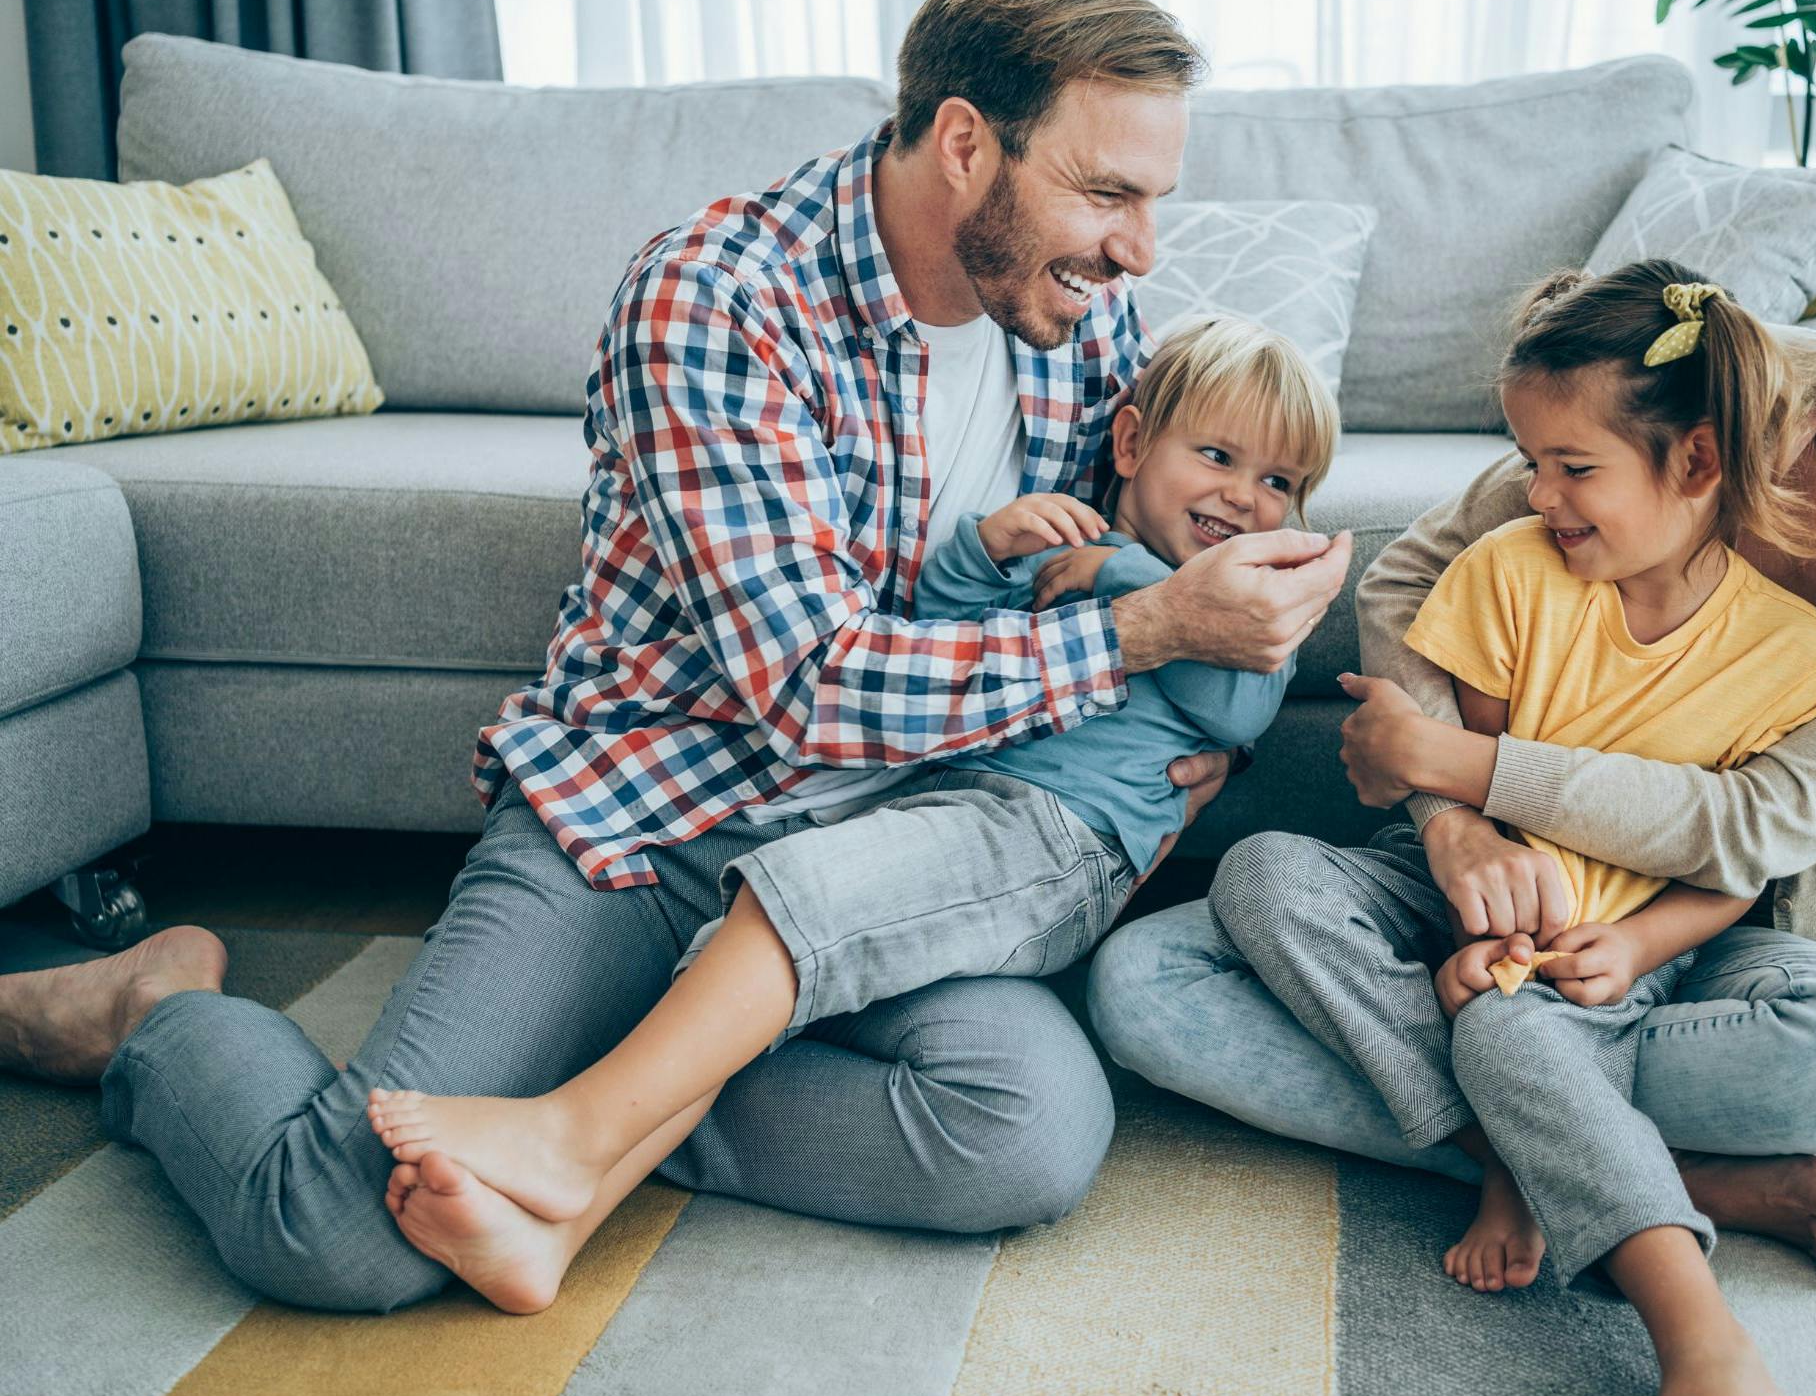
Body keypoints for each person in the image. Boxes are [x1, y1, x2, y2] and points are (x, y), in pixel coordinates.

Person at [0, 0, 1349, 1313]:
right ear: (960, 144)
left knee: (1022, 1130)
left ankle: (593, 1124)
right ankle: (156, 1012)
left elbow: (1154, 560)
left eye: (1150, 198)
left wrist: (1193, 711)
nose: (1137, 250)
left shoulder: (1079, 319)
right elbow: (809, 686)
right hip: (655, 823)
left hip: (893, 847)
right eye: (1105, 192)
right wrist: (1145, 632)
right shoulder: (716, 297)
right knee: (336, 1233)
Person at [1090, 100, 1816, 1396]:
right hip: (1476, 898)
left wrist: (1470, 769)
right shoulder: (1717, 377)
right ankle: (1650, 1173)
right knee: (1147, 980)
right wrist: (1450, 823)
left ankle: (1536, 1133)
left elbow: (1757, 825)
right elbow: (1424, 568)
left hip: (1702, 933)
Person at [359, 317, 1341, 1313]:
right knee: (744, 963)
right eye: (1218, 456)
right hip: (956, 810)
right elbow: (942, 633)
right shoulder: (1072, 543)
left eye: (1281, 484)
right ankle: (561, 1224)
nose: (1244, 496)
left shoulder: (1239, 598)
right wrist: (984, 552)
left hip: (1050, 842)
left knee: (798, 904)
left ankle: (569, 1129)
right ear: (1131, 446)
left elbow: (1240, 704)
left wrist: (1136, 583)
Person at [1231, 260, 1816, 1396]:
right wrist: (1480, 918)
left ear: (1699, 462)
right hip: (1468, 902)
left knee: (1537, 1033)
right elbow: (1490, 816)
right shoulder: (1510, 572)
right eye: (1530, 461)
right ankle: (1527, 1152)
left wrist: (1637, 951)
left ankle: (1699, 1335)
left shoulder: (1795, 655)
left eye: (1574, 467)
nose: (1539, 493)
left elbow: (1737, 858)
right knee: (1259, 873)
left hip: (1615, 953)